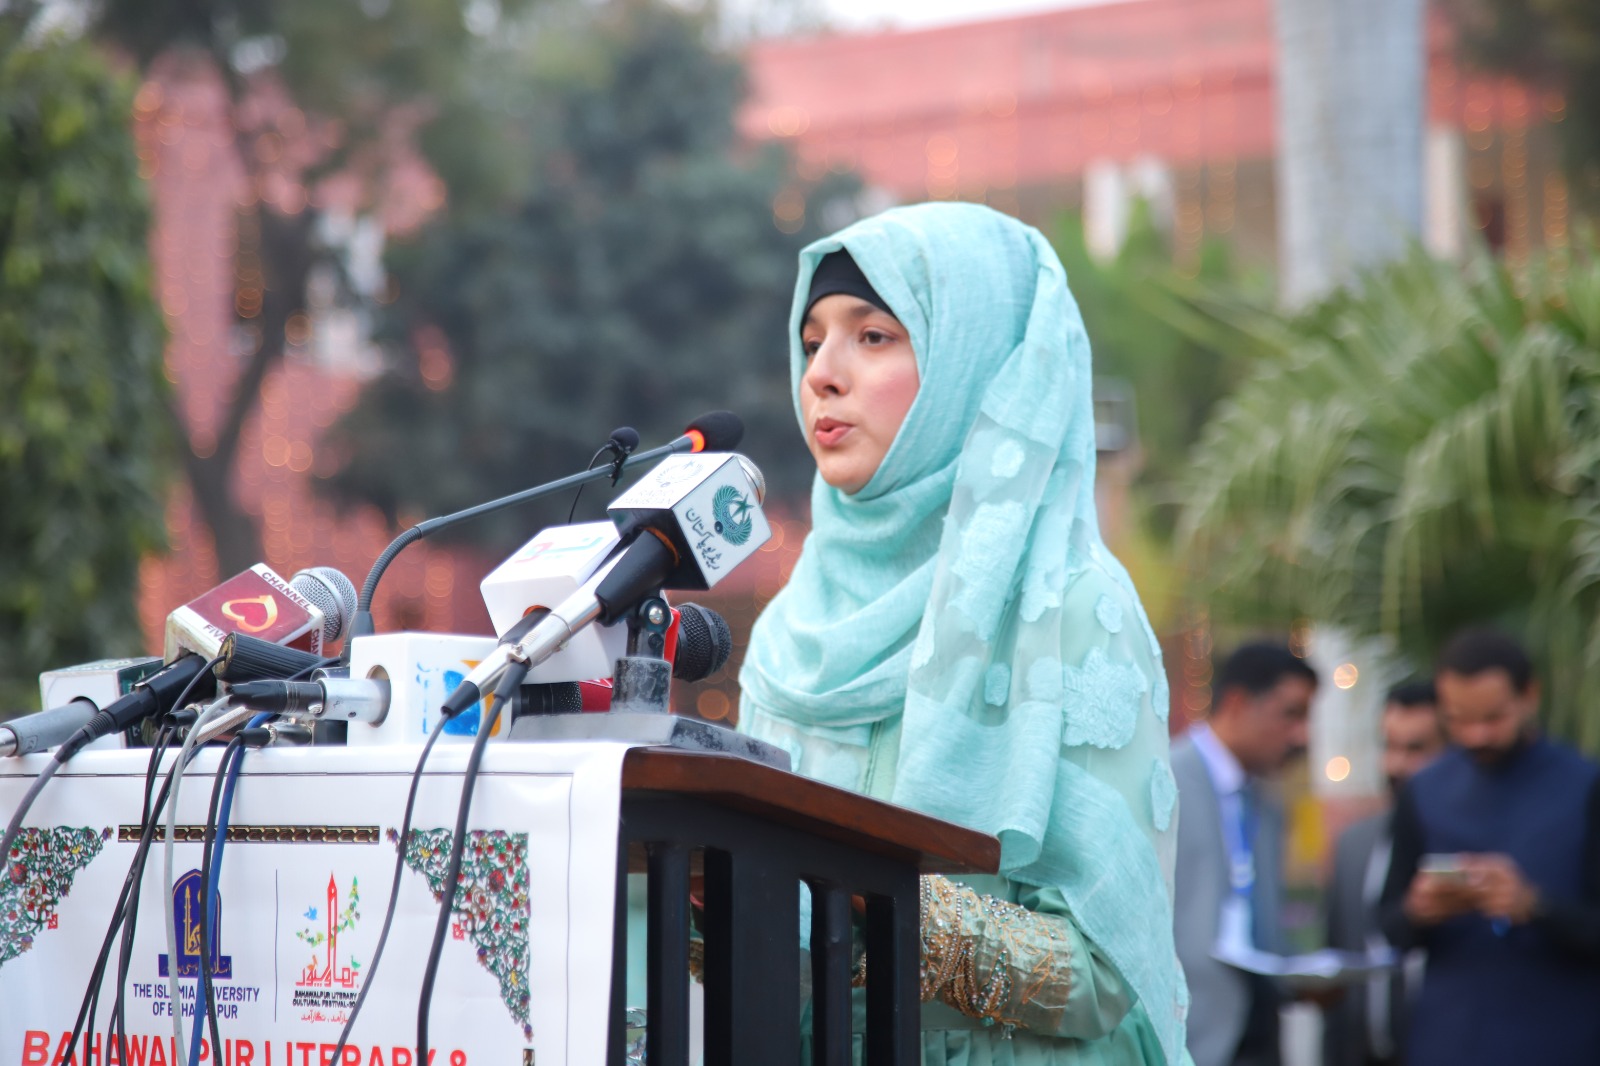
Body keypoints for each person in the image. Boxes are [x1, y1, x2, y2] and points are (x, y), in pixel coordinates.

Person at [738, 203, 1189, 1065]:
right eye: (811, 341)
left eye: (873, 336)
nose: (821, 375)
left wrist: (883, 902)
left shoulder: (1069, 607)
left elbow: (1102, 974)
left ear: (974, 364)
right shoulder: (794, 630)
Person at [1378, 628, 1600, 1066]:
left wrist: (1534, 905)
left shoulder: (1585, 786)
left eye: (1493, 718)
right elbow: (1389, 924)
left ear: (1529, 696)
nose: (1477, 735)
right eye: (1459, 719)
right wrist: (1420, 908)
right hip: (1447, 1040)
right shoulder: (1424, 790)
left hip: (1563, 1040)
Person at [1170, 643, 1317, 1066]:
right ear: (1237, 703)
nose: (1300, 735)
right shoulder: (1165, 779)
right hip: (1190, 1031)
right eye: (1290, 714)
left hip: (1259, 1025)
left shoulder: (1267, 800)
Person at [1322, 681, 1445, 1066]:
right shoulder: (1355, 844)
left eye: (1416, 749)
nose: (1396, 765)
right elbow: (1339, 972)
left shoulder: (1476, 847)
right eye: (1389, 746)